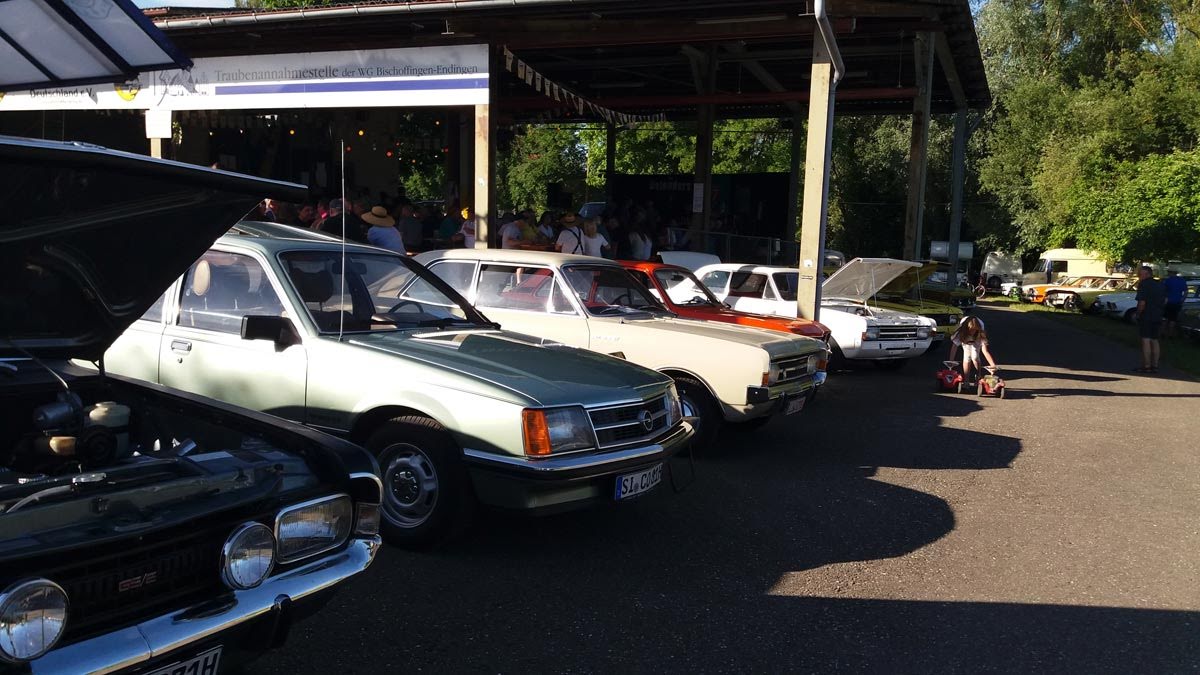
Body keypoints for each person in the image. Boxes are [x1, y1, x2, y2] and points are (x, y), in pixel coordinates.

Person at [1134, 265, 1166, 372]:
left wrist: (1138, 313)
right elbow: (1165, 300)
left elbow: (1142, 303)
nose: (1138, 276)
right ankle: (1155, 365)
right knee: (1155, 340)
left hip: (1147, 315)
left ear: (1147, 274)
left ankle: (1146, 366)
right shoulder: (1160, 284)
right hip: (1158, 314)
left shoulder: (1143, 284)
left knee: (1146, 340)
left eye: (1140, 274)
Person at [948, 315, 996, 385]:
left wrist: (992, 365)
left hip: (977, 337)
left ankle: (978, 376)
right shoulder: (961, 332)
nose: (972, 332)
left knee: (975, 356)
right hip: (965, 336)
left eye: (974, 330)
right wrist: (951, 361)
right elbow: (954, 347)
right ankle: (966, 380)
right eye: (970, 330)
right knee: (967, 357)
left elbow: (985, 350)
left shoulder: (980, 331)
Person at [1163, 269, 1187, 338]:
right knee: (1173, 319)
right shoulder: (1182, 280)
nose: (1168, 273)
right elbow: (1186, 292)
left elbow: (1163, 291)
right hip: (1177, 302)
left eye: (1168, 272)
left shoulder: (1167, 281)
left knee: (1165, 318)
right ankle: (1170, 334)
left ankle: (1163, 333)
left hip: (1168, 302)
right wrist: (1182, 300)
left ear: (1171, 273)